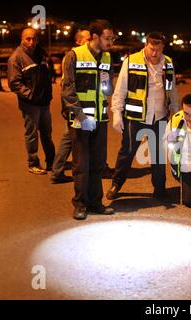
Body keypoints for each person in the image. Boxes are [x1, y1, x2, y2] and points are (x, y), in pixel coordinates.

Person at [107, 32, 179, 201]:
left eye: (159, 50)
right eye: (152, 49)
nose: (155, 53)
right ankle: (116, 184)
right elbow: (120, 89)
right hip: (135, 117)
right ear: (146, 45)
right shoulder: (132, 61)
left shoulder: (168, 63)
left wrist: (175, 111)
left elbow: (172, 88)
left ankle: (160, 189)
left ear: (163, 48)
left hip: (160, 115)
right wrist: (116, 112)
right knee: (127, 152)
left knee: (158, 155)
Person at [61, 19, 116, 220]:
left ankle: (95, 203)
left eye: (112, 38)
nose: (111, 42)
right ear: (95, 37)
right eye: (107, 38)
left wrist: (107, 84)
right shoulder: (73, 56)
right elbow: (67, 90)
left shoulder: (108, 57)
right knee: (81, 165)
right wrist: (81, 116)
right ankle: (80, 204)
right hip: (80, 119)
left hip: (100, 119)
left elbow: (107, 89)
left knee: (98, 164)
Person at [8, 28, 55, 175]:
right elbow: (14, 83)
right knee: (32, 134)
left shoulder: (40, 54)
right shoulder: (16, 58)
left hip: (44, 103)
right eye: (28, 38)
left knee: (47, 134)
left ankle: (52, 162)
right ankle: (33, 163)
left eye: (34, 38)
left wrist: (46, 95)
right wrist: (31, 96)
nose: (31, 41)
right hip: (30, 104)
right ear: (22, 39)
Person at [50, 28, 91, 184]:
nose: (90, 42)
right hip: (74, 104)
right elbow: (67, 86)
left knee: (69, 138)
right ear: (79, 41)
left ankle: (58, 170)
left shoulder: (82, 55)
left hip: (79, 104)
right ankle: (58, 171)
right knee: (70, 138)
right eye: (87, 40)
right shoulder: (73, 56)